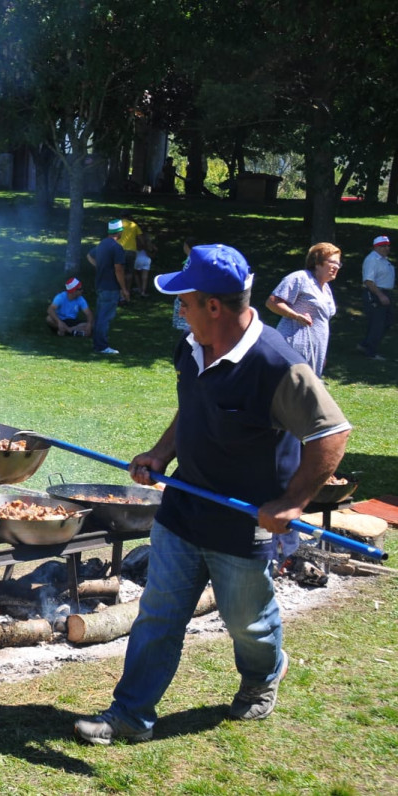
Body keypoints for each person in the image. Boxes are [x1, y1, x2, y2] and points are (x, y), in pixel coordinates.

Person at [73, 244, 352, 746]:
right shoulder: (191, 346)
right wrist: (160, 454)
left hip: (243, 519)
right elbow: (194, 408)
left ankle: (264, 674)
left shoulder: (276, 365)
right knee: (158, 614)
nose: (178, 308)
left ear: (214, 306)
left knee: (247, 623)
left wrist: (292, 503)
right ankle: (130, 715)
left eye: (185, 300)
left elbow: (331, 433)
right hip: (184, 508)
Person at [266, 242, 341, 378]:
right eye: (332, 262)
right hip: (293, 346)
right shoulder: (300, 278)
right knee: (290, 390)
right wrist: (296, 316)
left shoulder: (326, 288)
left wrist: (322, 354)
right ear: (317, 262)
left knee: (305, 392)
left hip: (315, 350)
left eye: (338, 264)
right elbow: (272, 302)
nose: (336, 267)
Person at [86, 219, 128, 355]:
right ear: (119, 231)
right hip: (111, 287)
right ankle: (102, 346)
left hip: (100, 285)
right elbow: (119, 269)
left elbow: (89, 255)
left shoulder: (102, 244)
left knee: (100, 316)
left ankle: (97, 344)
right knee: (105, 317)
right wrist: (124, 288)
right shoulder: (117, 247)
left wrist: (99, 267)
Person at [357, 234, 393, 360]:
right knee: (377, 323)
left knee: (387, 321)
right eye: (383, 246)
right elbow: (368, 280)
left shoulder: (384, 260)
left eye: (388, 246)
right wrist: (380, 295)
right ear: (376, 247)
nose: (386, 248)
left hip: (385, 293)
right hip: (375, 294)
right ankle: (370, 352)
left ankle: (365, 344)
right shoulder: (372, 260)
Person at [116, 216, 154, 297]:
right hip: (131, 252)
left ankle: (120, 292)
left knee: (119, 271)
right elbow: (142, 241)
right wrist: (146, 248)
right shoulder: (134, 225)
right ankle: (129, 291)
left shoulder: (117, 224)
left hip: (119, 250)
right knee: (129, 272)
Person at [171, 237, 198, 334]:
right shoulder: (194, 259)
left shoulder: (191, 261)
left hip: (185, 294)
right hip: (186, 294)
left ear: (187, 247)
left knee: (186, 323)